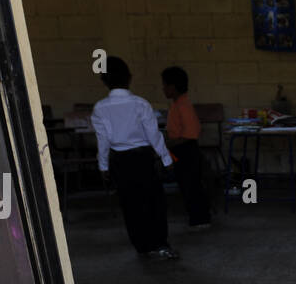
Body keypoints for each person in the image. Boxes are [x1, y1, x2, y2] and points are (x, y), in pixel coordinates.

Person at [90, 55, 178, 259]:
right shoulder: (141, 104)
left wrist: (103, 167)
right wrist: (166, 159)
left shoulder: (100, 108)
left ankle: (142, 247)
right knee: (153, 201)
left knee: (130, 204)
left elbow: (102, 141)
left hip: (120, 161)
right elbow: (154, 135)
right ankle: (160, 245)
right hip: (143, 159)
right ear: (129, 78)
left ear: (104, 81)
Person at [161, 65, 212, 231]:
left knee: (192, 186)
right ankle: (196, 218)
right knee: (185, 184)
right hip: (179, 149)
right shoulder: (177, 104)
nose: (163, 89)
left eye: (165, 85)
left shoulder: (183, 106)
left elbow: (190, 134)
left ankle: (201, 219)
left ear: (173, 87)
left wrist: (166, 145)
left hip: (186, 150)